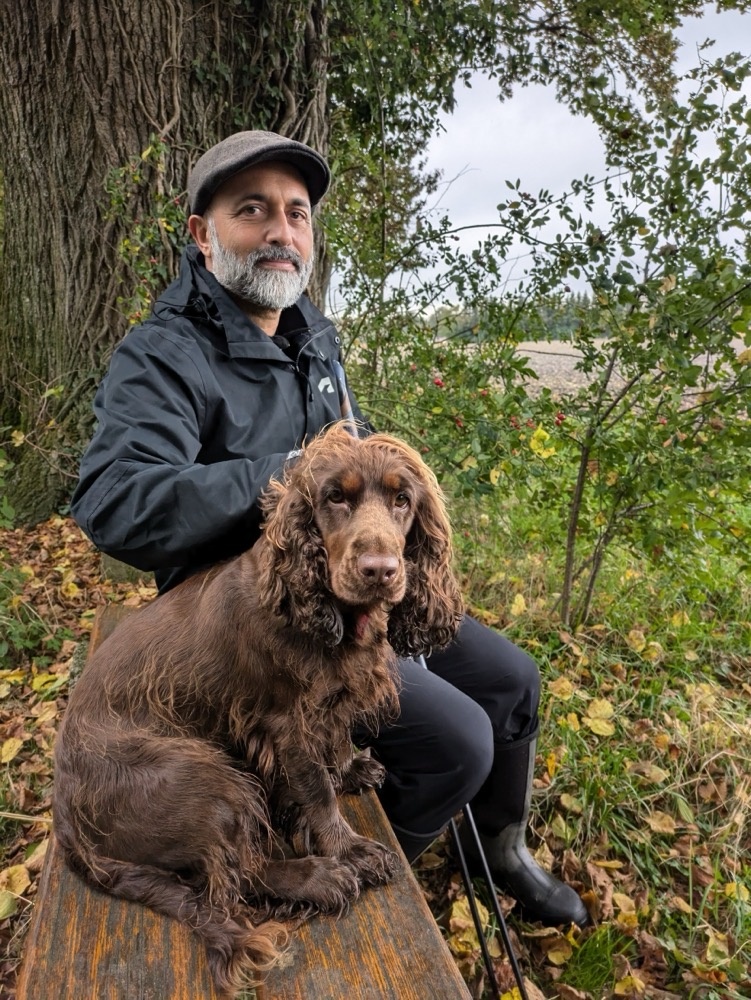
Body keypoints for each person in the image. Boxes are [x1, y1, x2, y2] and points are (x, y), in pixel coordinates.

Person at [71, 130, 588, 928]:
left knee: (511, 681)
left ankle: (499, 850)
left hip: (354, 586)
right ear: (203, 234)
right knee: (457, 739)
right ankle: (379, 884)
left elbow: (357, 468)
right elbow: (115, 502)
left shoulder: (312, 333)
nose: (281, 231)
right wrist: (291, 474)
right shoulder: (162, 355)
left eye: (297, 213)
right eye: (253, 211)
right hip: (258, 625)